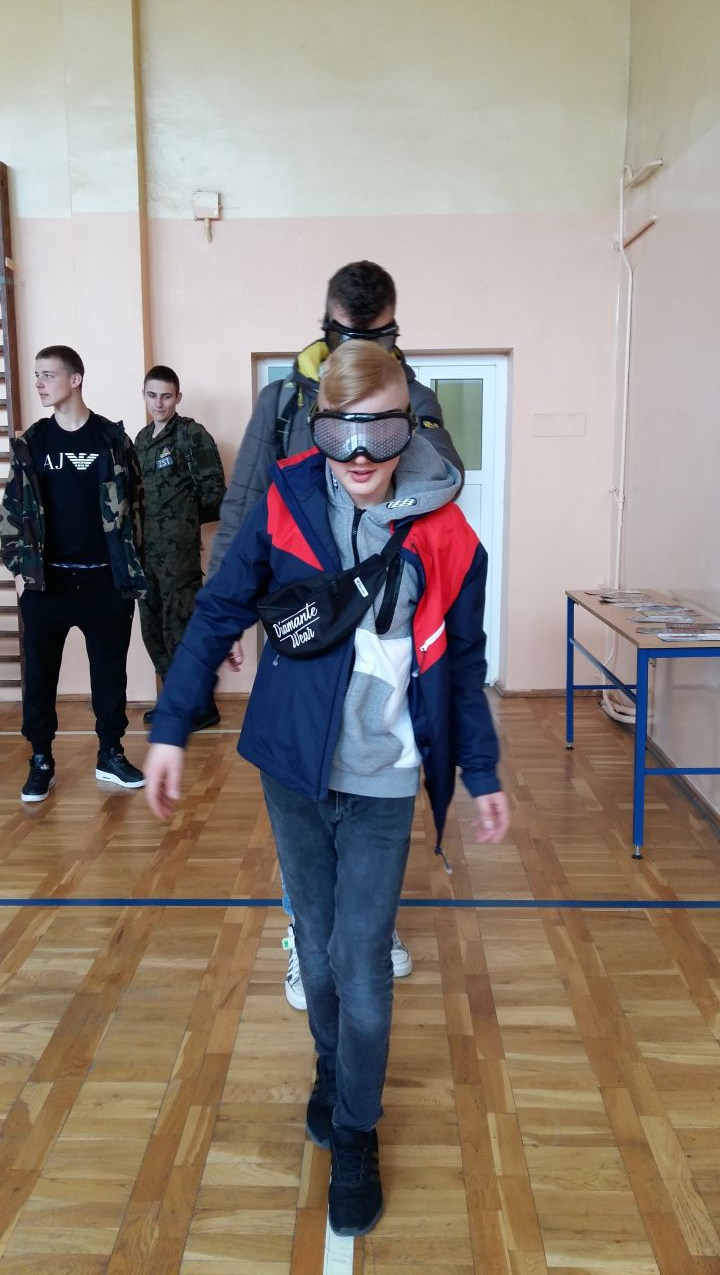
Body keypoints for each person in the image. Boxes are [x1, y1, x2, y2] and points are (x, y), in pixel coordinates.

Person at [144, 339, 509, 1237]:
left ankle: (355, 1129)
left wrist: (482, 770)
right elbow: (219, 608)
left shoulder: (449, 534)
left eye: (379, 432)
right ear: (317, 429)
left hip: (384, 781)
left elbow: (464, 663)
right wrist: (170, 724)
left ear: (410, 427)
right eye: (340, 432)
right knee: (313, 947)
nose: (357, 455)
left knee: (363, 964)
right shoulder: (286, 499)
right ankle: (329, 1069)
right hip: (294, 771)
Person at [209, 260, 465, 1005]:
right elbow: (246, 500)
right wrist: (225, 613)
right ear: (325, 327)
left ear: (393, 331)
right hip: (303, 631)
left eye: (373, 337)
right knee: (302, 784)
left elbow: (439, 494)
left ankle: (368, 931)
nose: (357, 347)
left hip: (381, 635)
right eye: (343, 334)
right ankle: (306, 935)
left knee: (373, 793)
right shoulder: (284, 398)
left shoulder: (415, 398)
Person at [0, 345, 146, 802]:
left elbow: (136, 507)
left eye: (47, 374)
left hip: (104, 583)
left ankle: (110, 753)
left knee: (110, 675)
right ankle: (41, 759)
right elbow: (11, 510)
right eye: (37, 374)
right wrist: (20, 571)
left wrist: (130, 570)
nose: (39, 383)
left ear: (75, 379)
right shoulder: (33, 443)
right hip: (48, 584)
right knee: (41, 678)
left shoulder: (112, 439)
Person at [135, 366, 226, 729]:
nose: (158, 403)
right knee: (152, 628)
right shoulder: (141, 440)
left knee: (181, 628)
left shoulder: (191, 434)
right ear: (144, 395)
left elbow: (214, 492)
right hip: (145, 552)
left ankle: (200, 706)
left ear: (177, 397)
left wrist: (184, 524)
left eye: (166, 396)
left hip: (178, 553)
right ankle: (176, 702)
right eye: (152, 395)